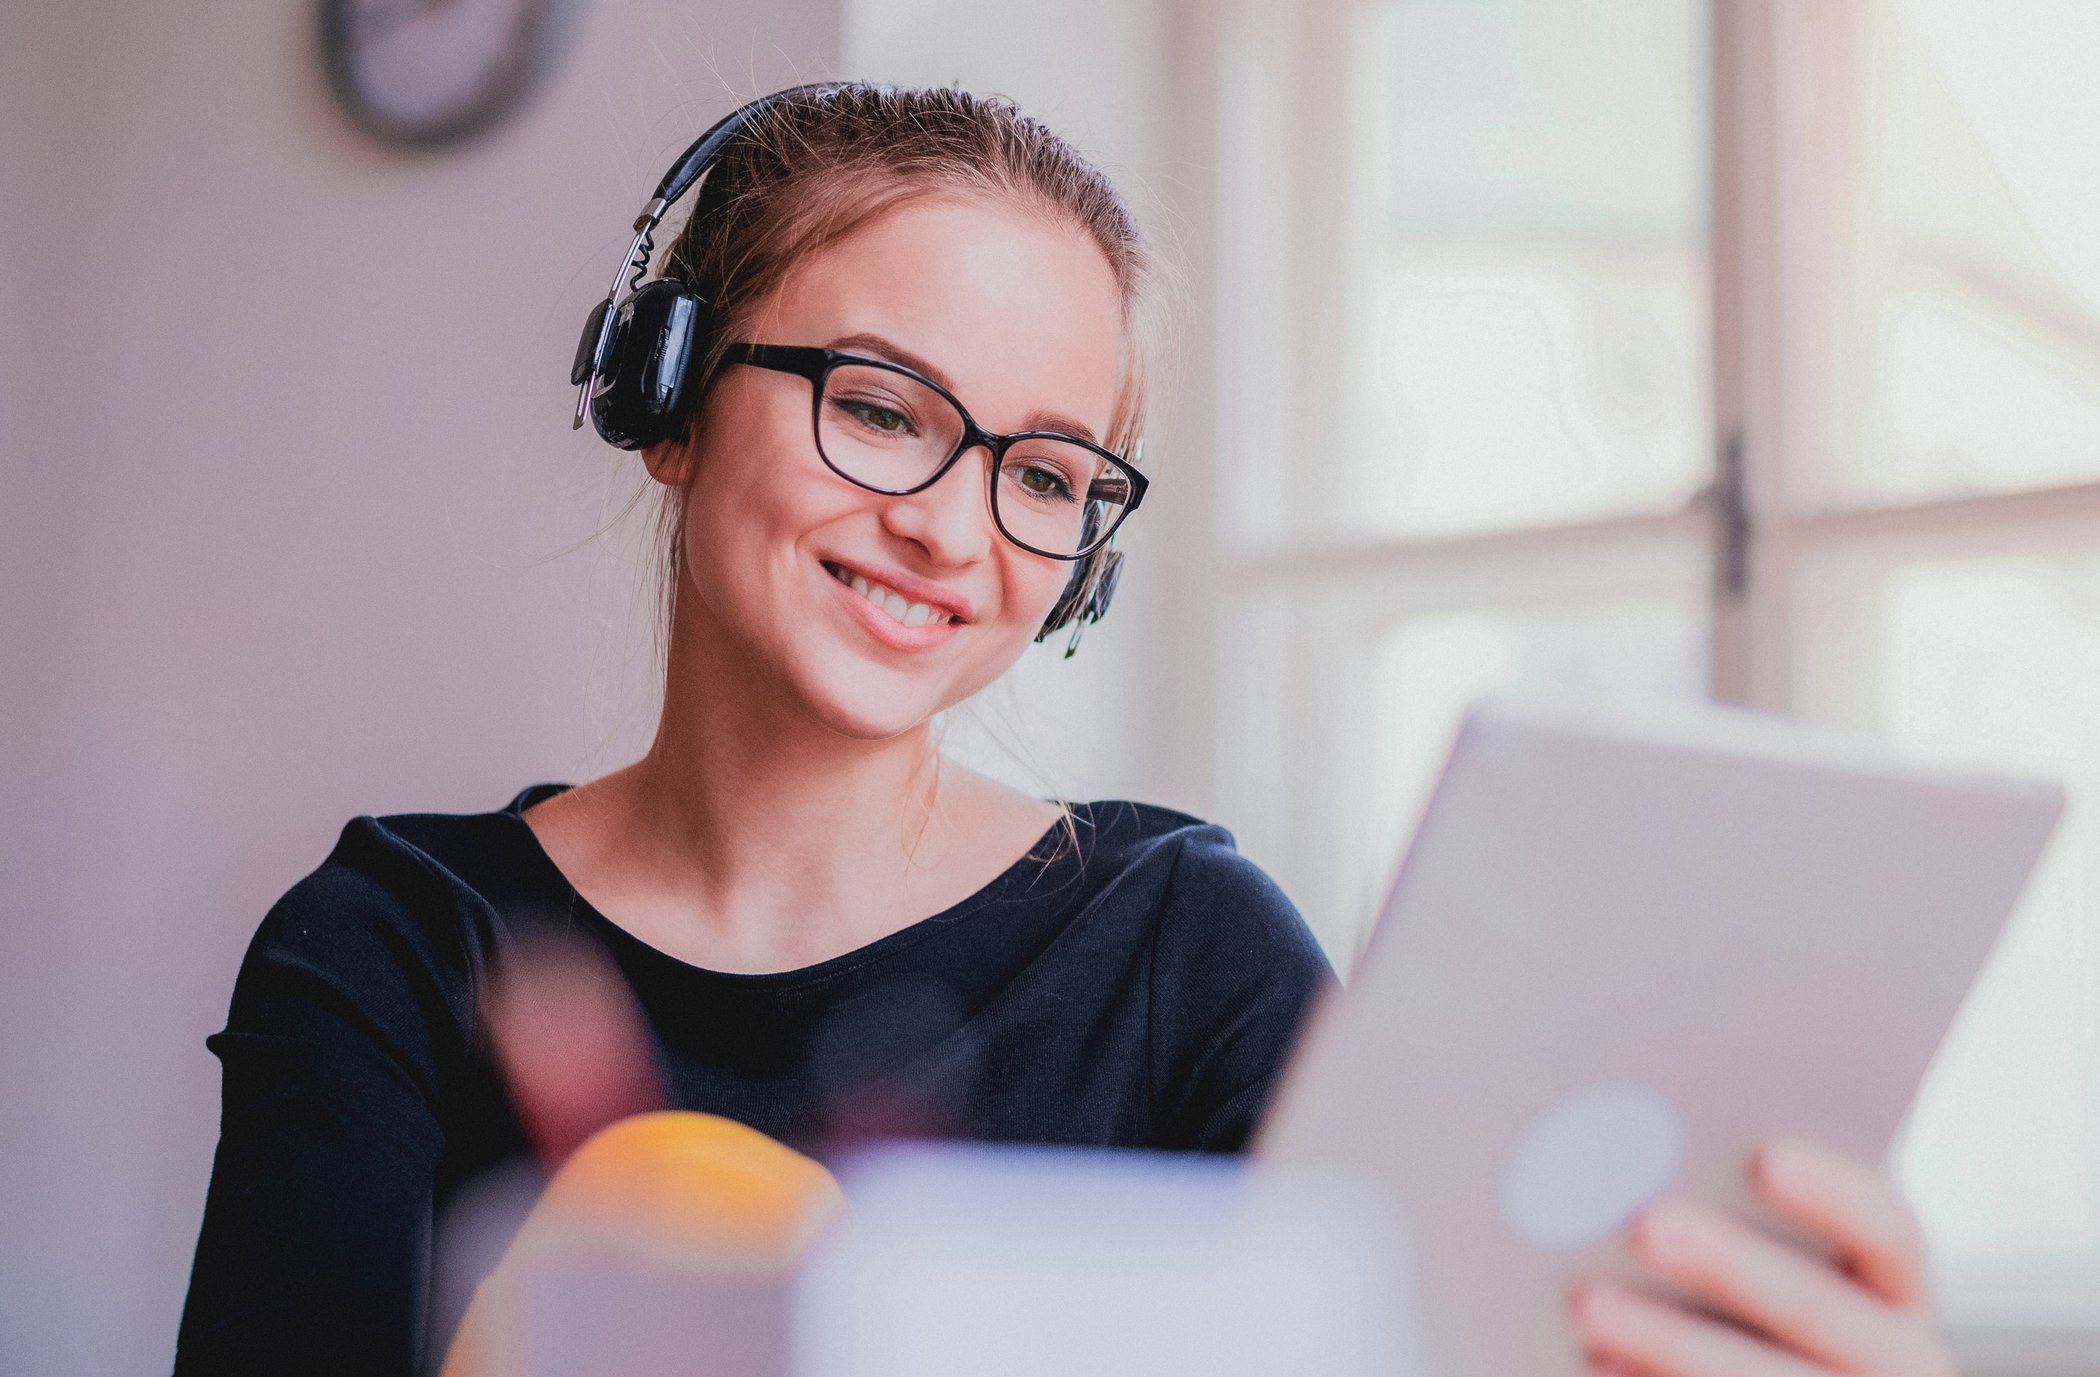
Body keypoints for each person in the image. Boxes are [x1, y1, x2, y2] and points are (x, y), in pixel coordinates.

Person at [174, 83, 1956, 1377]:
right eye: (881, 408)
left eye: (1042, 472)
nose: (956, 527)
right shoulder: (391, 948)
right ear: (665, 395)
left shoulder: (1187, 942)